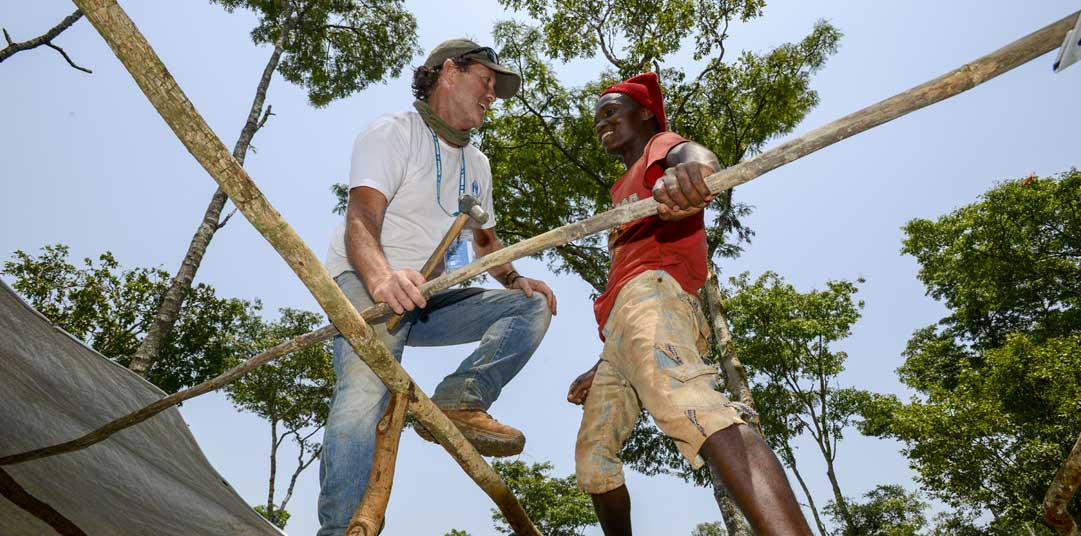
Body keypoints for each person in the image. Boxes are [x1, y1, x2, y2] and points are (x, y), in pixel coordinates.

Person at [318, 39, 557, 535]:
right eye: (485, 81)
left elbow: (485, 241)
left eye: (496, 88)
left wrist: (515, 279)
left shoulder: (480, 164)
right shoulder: (393, 132)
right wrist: (383, 279)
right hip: (367, 282)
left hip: (431, 296)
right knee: (365, 392)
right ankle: (340, 529)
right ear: (448, 71)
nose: (492, 94)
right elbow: (361, 219)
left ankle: (461, 398)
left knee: (529, 306)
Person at [566, 72, 813, 536]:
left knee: (693, 407)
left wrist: (695, 172)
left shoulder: (660, 146)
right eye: (596, 118)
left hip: (654, 294)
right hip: (624, 324)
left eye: (610, 111)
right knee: (594, 458)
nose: (601, 123)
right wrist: (607, 360)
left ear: (643, 113)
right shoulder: (622, 190)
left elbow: (693, 157)